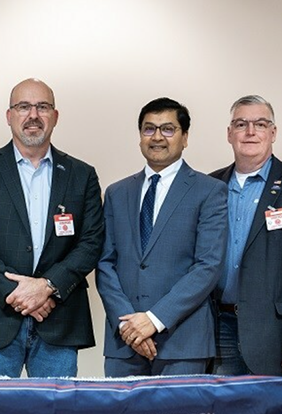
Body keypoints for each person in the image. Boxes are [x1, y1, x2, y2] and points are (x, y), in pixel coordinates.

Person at [0, 78, 104, 377]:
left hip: (59, 318)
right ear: (9, 116)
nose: (33, 115)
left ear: (55, 116)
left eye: (42, 107)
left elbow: (91, 242)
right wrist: (19, 293)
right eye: (23, 107)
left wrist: (46, 287)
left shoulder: (81, 175)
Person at [96, 97, 226, 376]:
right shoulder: (117, 193)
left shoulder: (209, 191)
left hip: (183, 343)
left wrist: (154, 321)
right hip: (124, 343)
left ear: (185, 137)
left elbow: (208, 265)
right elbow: (105, 263)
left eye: (168, 129)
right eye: (148, 129)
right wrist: (128, 326)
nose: (157, 137)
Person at [208, 95, 282, 376]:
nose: (250, 132)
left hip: (277, 336)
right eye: (241, 124)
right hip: (217, 329)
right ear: (229, 134)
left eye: (260, 124)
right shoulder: (210, 186)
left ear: (273, 133)